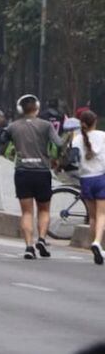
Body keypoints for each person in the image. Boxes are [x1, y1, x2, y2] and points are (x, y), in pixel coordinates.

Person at [3, 94, 61, 260]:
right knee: (44, 209)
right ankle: (42, 239)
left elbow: (2, 140)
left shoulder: (13, 126)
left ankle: (29, 246)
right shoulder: (46, 125)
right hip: (42, 172)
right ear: (37, 107)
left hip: (22, 172)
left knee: (27, 212)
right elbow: (58, 143)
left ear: (20, 109)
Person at [70, 110, 105, 265]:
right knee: (102, 215)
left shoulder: (77, 139)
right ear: (95, 121)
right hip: (101, 177)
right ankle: (98, 242)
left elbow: (73, 161)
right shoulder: (102, 136)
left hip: (85, 180)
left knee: (92, 217)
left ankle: (95, 246)